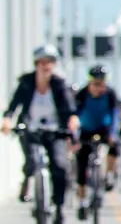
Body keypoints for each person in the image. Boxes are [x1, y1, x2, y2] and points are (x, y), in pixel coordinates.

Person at [1, 44, 79, 224]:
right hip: (31, 129)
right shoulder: (27, 82)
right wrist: (7, 119)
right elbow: (14, 105)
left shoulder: (59, 84)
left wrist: (72, 119)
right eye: (42, 62)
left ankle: (58, 207)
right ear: (36, 63)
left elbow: (69, 107)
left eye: (50, 62)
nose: (46, 66)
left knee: (59, 166)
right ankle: (28, 181)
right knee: (32, 162)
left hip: (55, 131)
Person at [74, 64, 121, 221]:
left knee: (115, 147)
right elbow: (74, 117)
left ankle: (108, 174)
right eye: (95, 84)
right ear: (89, 83)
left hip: (104, 129)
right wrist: (74, 136)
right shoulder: (81, 95)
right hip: (86, 130)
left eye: (101, 84)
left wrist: (113, 134)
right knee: (81, 162)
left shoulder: (110, 94)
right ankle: (82, 201)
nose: (99, 88)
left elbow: (115, 115)